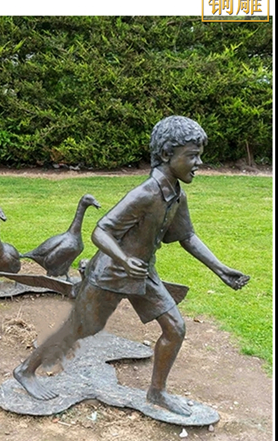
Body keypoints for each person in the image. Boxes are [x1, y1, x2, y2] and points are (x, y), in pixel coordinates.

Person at [13, 115, 250, 416]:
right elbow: (101, 231)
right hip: (110, 274)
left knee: (175, 328)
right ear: (167, 155)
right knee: (80, 328)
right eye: (192, 155)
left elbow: (187, 236)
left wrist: (221, 269)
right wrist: (124, 260)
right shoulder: (145, 194)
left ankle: (157, 392)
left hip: (143, 273)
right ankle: (25, 370)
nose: (199, 163)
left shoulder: (177, 195)